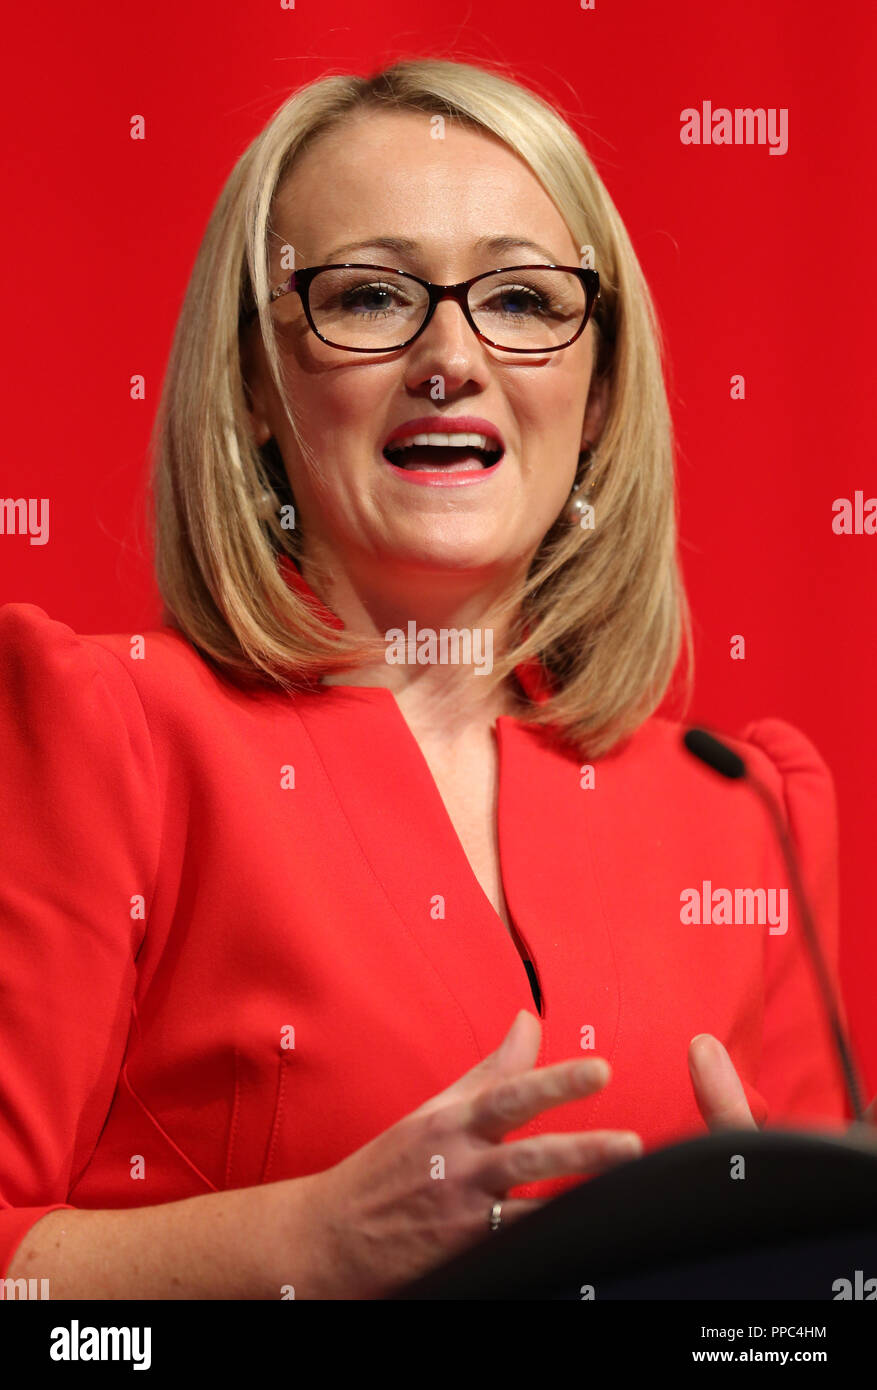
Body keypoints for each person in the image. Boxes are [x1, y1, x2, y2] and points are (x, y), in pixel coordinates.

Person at [0, 58, 851, 1300]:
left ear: (600, 389)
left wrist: (780, 1285)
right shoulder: (107, 734)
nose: (449, 354)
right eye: (367, 296)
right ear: (251, 383)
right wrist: (300, 1250)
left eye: (519, 298)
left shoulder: (745, 815)